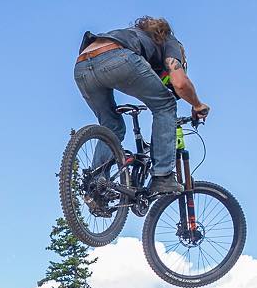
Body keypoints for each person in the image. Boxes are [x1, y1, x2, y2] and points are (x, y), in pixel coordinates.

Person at [74, 17, 210, 198]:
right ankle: (162, 176)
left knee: (111, 127)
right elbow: (179, 82)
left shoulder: (129, 35)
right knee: (165, 104)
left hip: (82, 66)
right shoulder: (169, 40)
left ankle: (96, 185)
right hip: (117, 58)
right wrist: (197, 105)